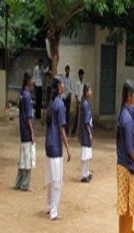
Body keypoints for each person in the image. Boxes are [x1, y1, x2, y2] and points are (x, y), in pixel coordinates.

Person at [116, 79, 134, 233]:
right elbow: (129, 146)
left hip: (127, 165)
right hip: (126, 166)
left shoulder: (127, 115)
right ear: (128, 96)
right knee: (125, 207)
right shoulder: (126, 119)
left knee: (131, 205)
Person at [45, 76, 71, 220]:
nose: (64, 86)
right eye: (62, 84)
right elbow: (62, 129)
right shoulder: (60, 105)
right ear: (59, 87)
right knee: (57, 180)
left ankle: (49, 206)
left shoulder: (52, 103)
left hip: (49, 144)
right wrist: (67, 147)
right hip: (55, 146)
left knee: (50, 178)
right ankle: (54, 210)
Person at [14, 72, 35, 191]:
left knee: (22, 157)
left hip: (23, 130)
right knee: (28, 157)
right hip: (26, 130)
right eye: (32, 79)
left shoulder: (23, 94)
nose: (33, 81)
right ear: (28, 80)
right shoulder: (27, 96)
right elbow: (28, 117)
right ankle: (25, 184)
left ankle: (18, 182)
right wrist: (32, 132)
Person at [79, 83, 93, 183]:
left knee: (88, 154)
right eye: (90, 90)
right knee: (85, 154)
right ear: (86, 92)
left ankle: (87, 172)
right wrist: (89, 133)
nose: (91, 92)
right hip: (85, 131)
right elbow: (86, 121)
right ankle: (83, 174)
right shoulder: (85, 104)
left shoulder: (87, 102)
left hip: (87, 130)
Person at [72, 69, 85, 137]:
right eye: (81, 75)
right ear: (79, 75)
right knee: (77, 116)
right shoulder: (77, 83)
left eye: (82, 75)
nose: (82, 76)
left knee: (82, 116)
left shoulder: (83, 83)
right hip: (79, 101)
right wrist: (77, 102)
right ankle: (74, 130)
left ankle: (80, 130)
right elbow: (76, 93)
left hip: (82, 100)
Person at [63, 65, 73, 135]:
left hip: (68, 98)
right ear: (65, 70)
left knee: (67, 114)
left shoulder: (70, 80)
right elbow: (63, 88)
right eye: (67, 70)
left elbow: (71, 89)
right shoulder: (63, 79)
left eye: (69, 70)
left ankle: (67, 129)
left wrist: (69, 94)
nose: (68, 71)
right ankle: (63, 128)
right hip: (64, 98)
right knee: (63, 113)